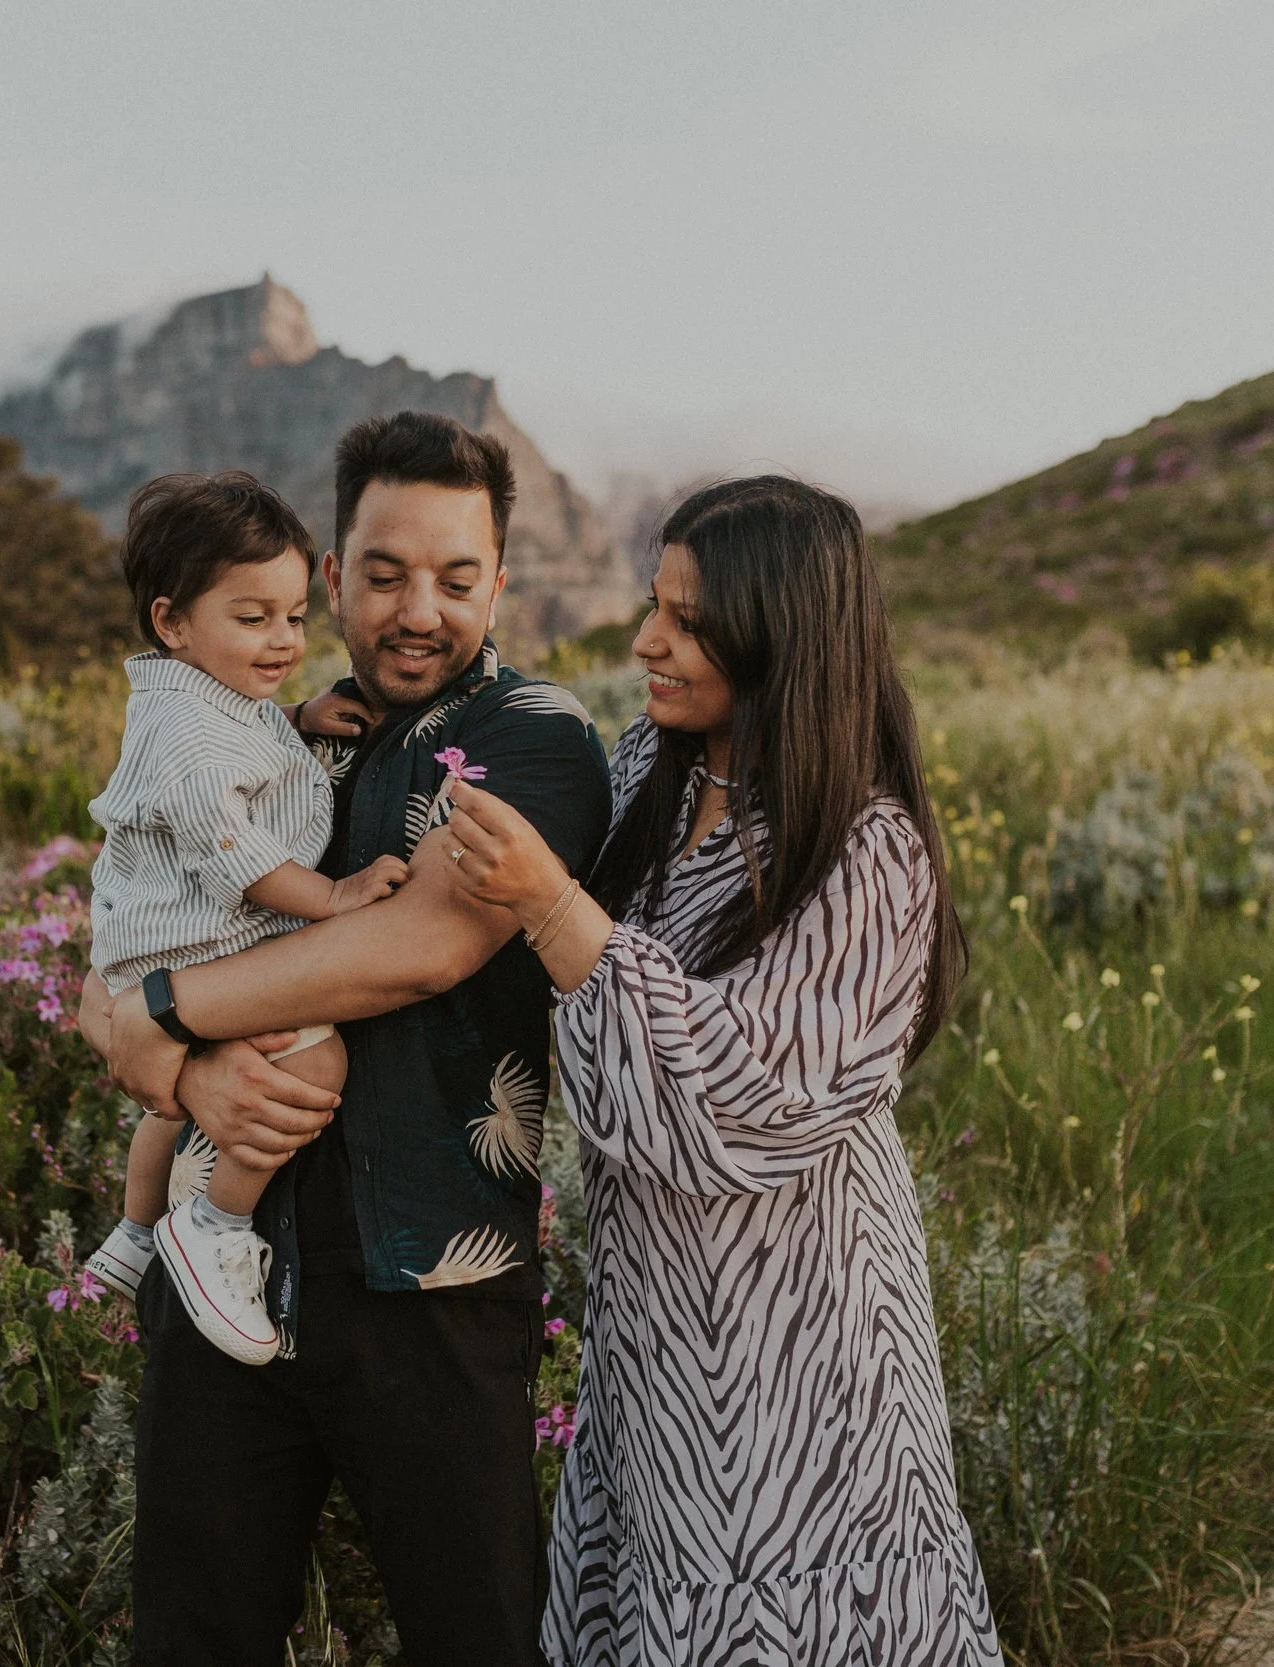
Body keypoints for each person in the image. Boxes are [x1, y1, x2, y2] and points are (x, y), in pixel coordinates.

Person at [431, 475, 1004, 1665]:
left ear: (782, 633)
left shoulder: (864, 850)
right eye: (654, 604)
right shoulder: (655, 765)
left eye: (687, 620)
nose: (646, 639)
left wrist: (553, 906)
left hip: (801, 1354)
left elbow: (738, 1108)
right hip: (657, 1338)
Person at [91, 410, 613, 1666]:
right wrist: (173, 1057)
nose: (416, 608)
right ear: (334, 576)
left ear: (499, 580)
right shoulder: (257, 721)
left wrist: (159, 1017)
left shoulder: (534, 737)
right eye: (382, 575)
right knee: (194, 1631)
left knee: (471, 1632)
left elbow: (417, 947)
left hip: (431, 1281)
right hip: (227, 1268)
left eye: (453, 576)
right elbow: (119, 927)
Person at [80, 470, 401, 1365]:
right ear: (171, 621)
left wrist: (294, 719)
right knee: (315, 1054)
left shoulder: (200, 702)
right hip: (200, 938)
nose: (283, 640)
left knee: (161, 1108)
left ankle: (138, 1231)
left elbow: (238, 746)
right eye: (252, 619)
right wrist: (333, 896)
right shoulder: (187, 732)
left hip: (151, 942)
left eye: (295, 617)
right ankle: (215, 1224)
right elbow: (237, 852)